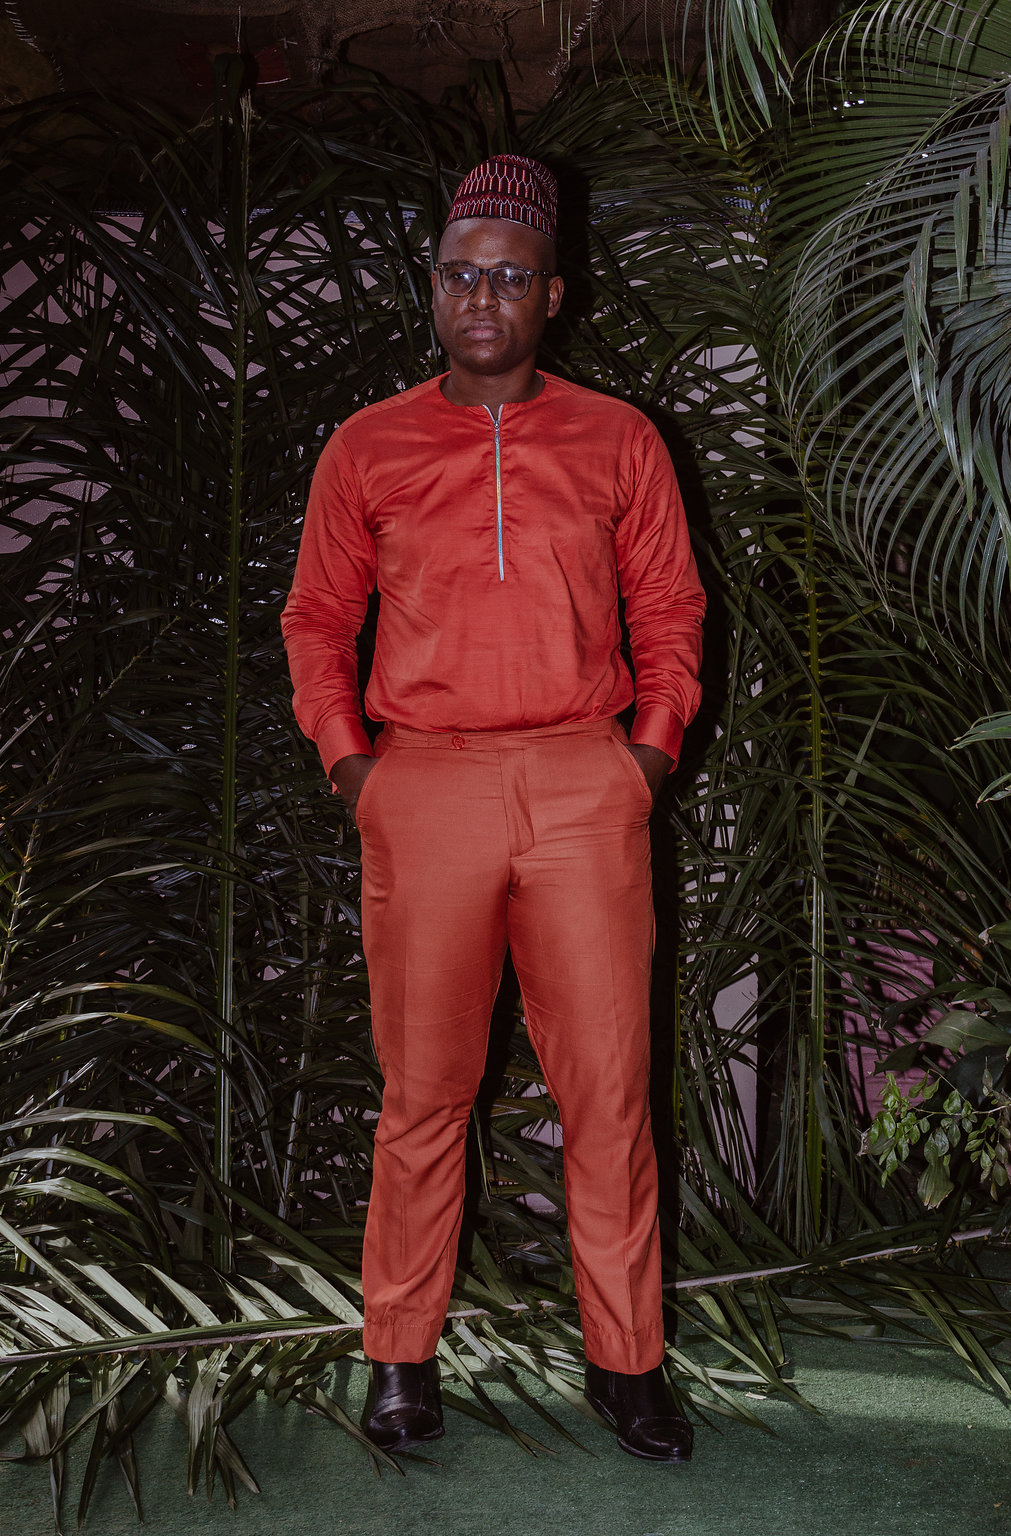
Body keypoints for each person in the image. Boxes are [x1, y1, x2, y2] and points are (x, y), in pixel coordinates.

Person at [282, 154, 705, 1463]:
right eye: (461, 275)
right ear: (433, 289)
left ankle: (627, 1364)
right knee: (424, 1094)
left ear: (551, 295)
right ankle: (400, 1357)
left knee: (609, 1094)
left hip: (585, 784)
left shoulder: (620, 439)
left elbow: (673, 610)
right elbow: (315, 619)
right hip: (427, 786)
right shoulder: (368, 446)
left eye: (509, 277)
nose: (483, 297)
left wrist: (647, 756)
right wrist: (355, 768)